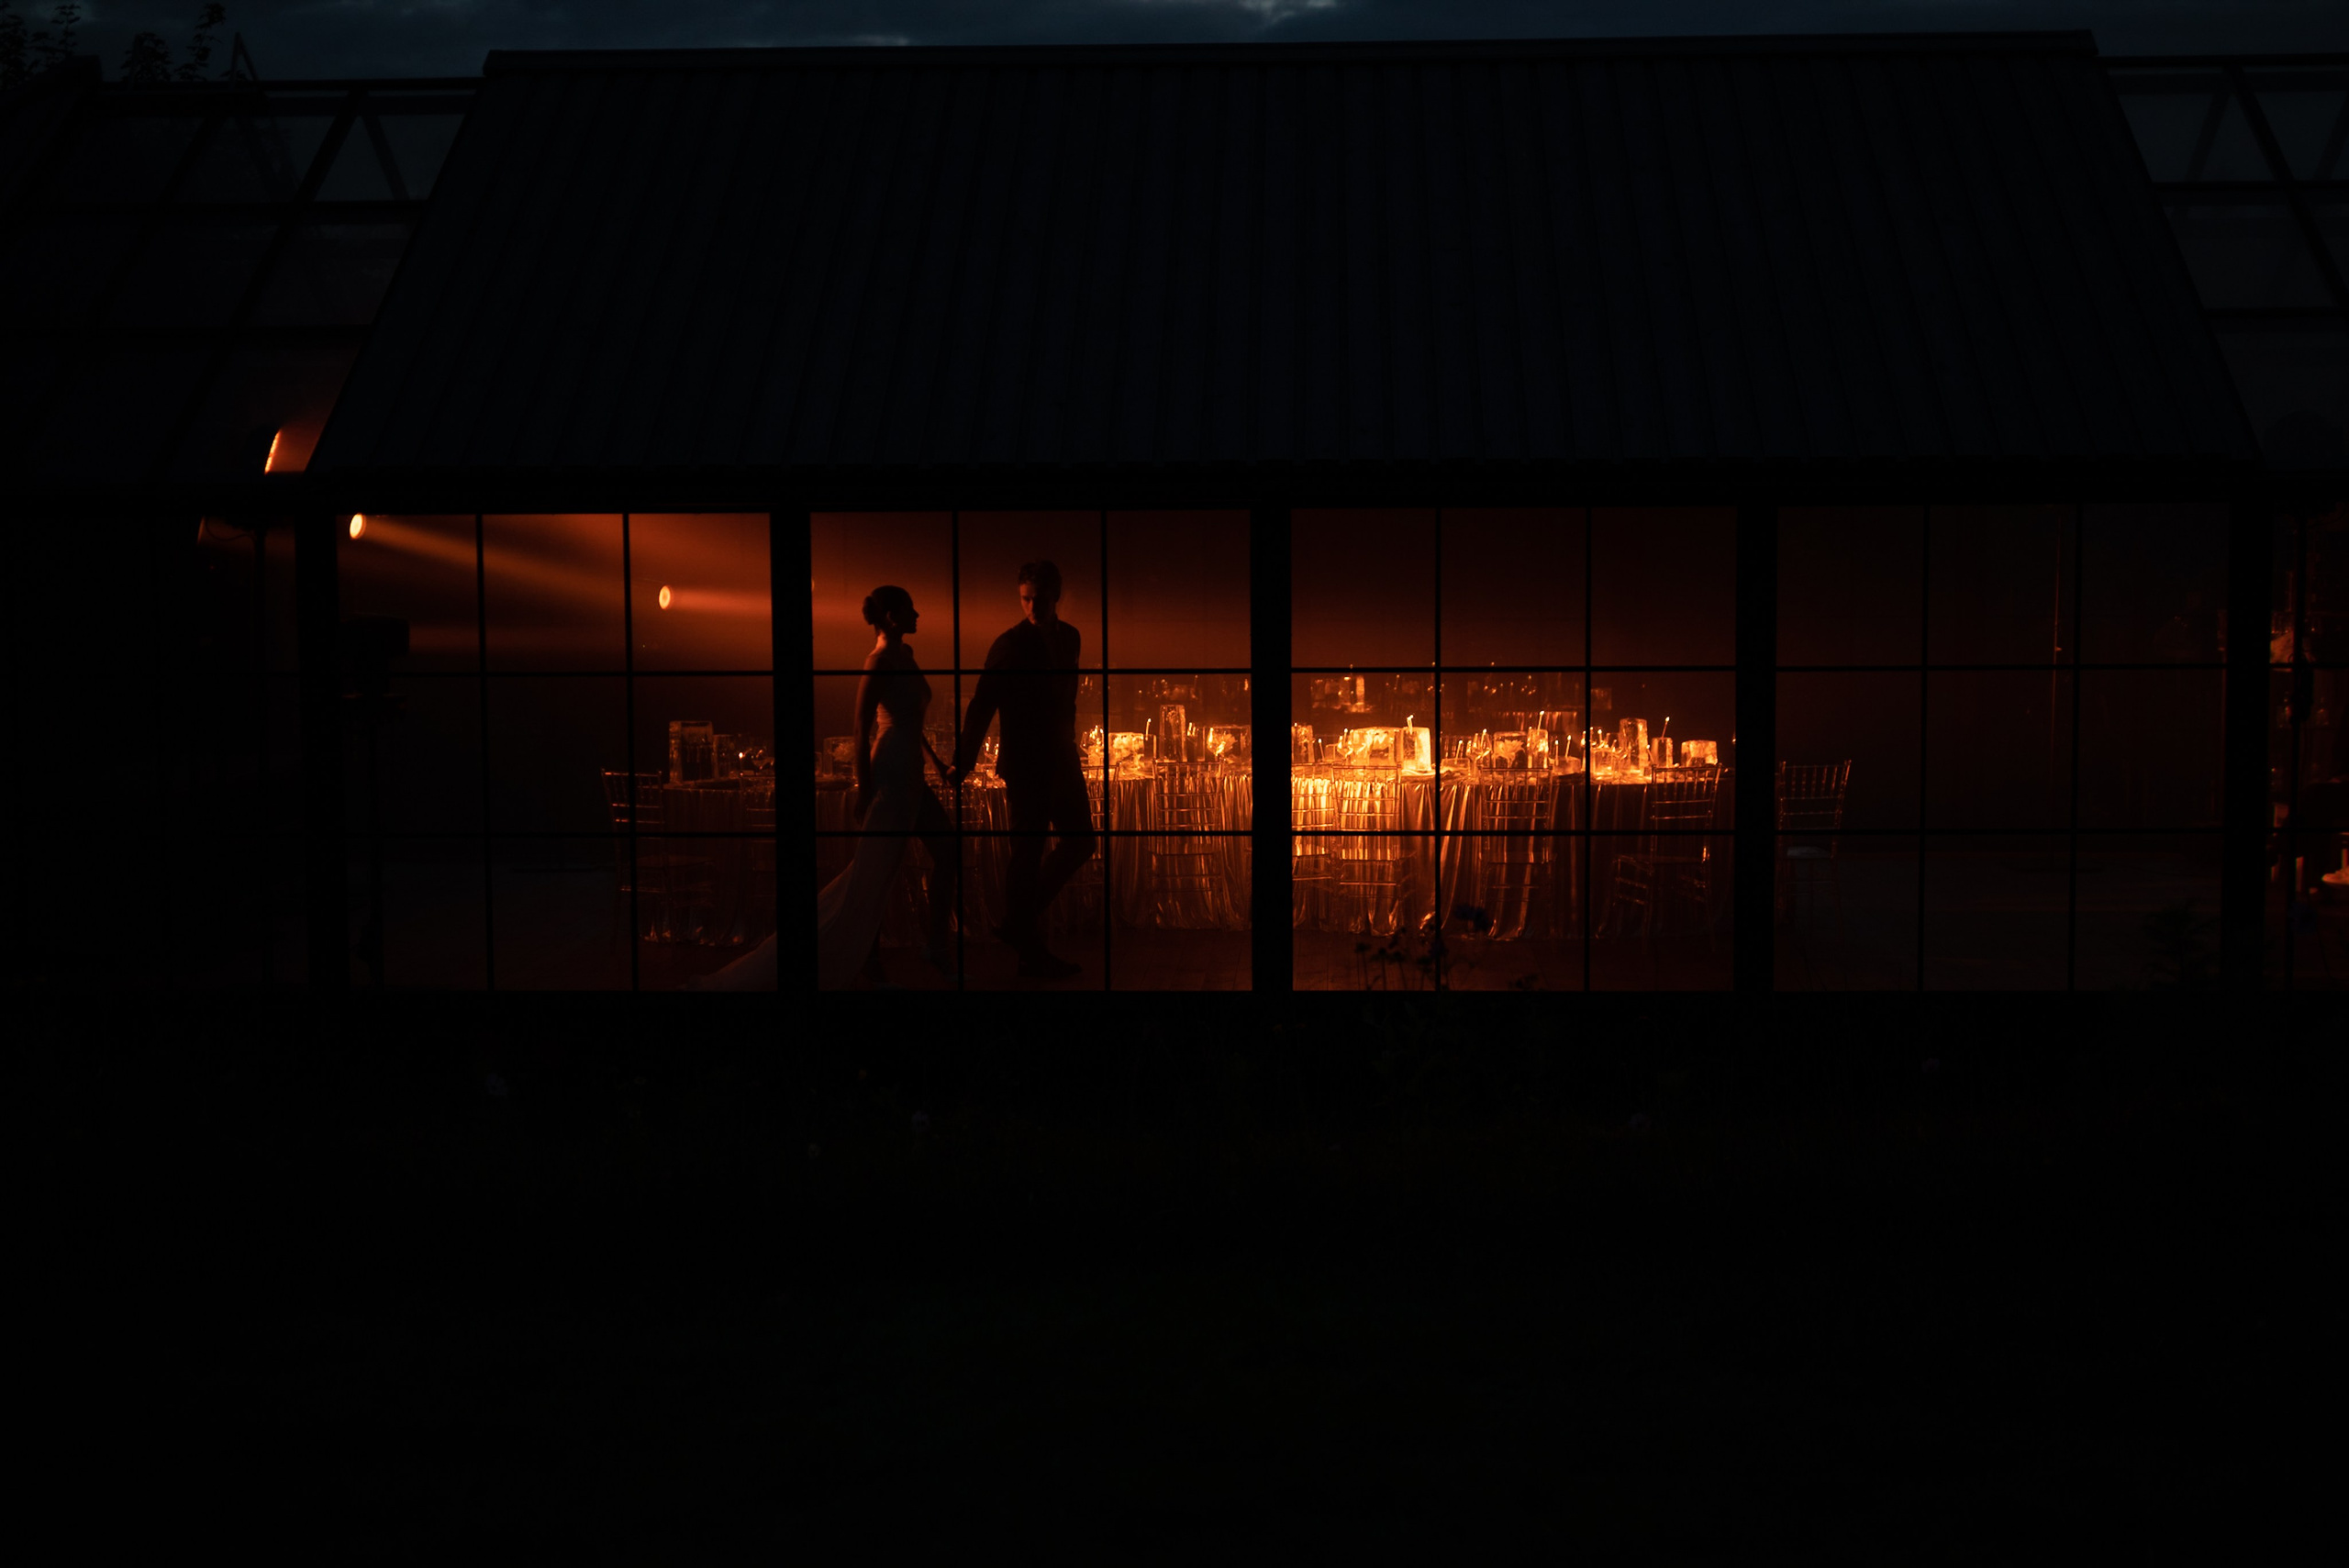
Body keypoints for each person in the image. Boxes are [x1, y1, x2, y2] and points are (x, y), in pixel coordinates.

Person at [696, 584, 955, 991]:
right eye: (910, 609)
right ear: (891, 617)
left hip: (911, 770)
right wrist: (866, 788)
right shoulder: (878, 662)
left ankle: (932, 945)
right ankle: (867, 953)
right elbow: (859, 727)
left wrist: (937, 764)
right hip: (889, 768)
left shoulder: (905, 656)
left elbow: (914, 722)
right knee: (875, 869)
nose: (918, 615)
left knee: (941, 849)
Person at [952, 560, 1092, 979]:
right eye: (1026, 599)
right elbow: (982, 704)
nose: (1032, 607)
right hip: (1032, 761)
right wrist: (965, 758)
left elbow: (1060, 699)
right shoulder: (1013, 643)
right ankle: (1028, 943)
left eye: (1039, 599)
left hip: (1056, 756)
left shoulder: (1066, 638)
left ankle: (1020, 924)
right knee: (1033, 853)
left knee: (1074, 842)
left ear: (1056, 596)